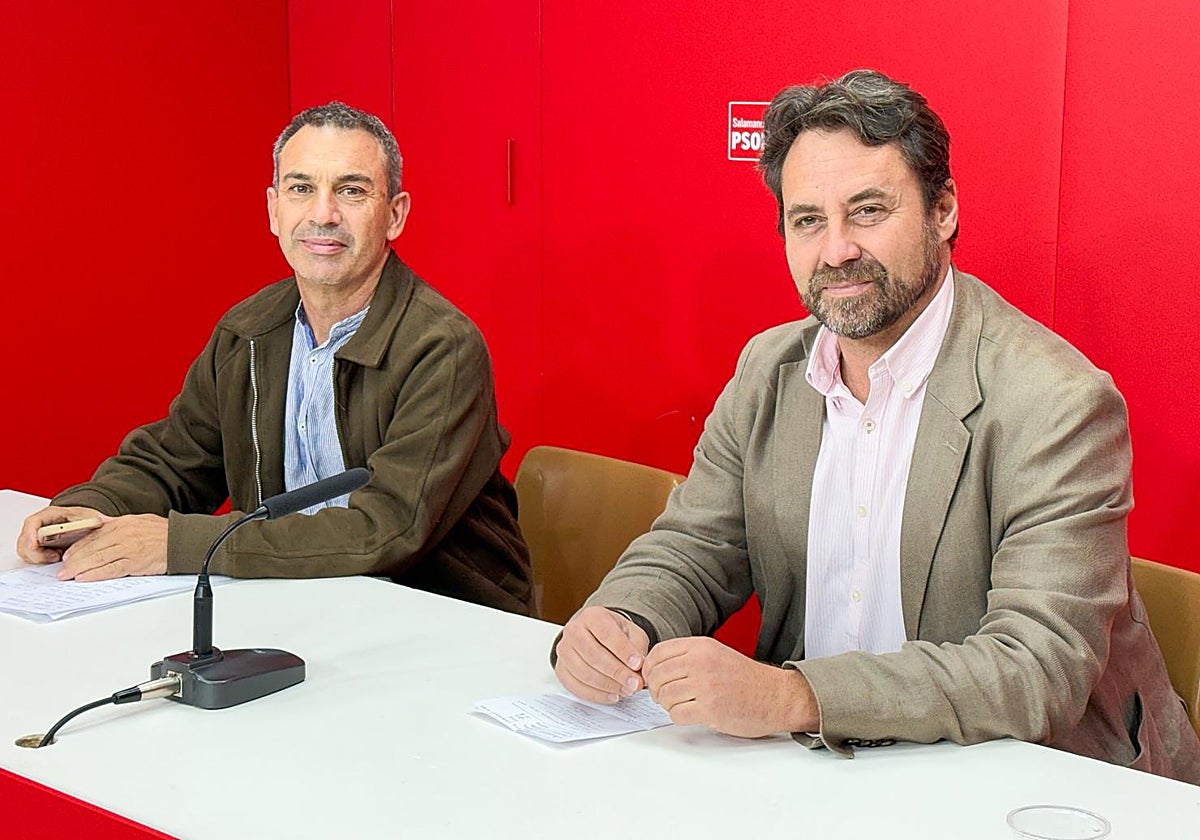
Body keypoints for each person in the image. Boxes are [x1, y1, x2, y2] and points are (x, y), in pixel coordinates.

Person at [552, 69, 1200, 781]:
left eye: (866, 212)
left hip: (1028, 777)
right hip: (825, 768)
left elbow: (1033, 669)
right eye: (807, 220)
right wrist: (621, 621)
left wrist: (795, 696)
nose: (835, 251)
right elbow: (695, 545)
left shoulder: (1057, 402)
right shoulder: (768, 370)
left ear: (942, 210)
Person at [16, 102, 533, 616]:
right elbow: (176, 459)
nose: (323, 214)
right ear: (273, 210)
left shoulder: (442, 346)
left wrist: (180, 544)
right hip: (288, 599)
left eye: (351, 190)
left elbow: (389, 527)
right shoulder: (249, 330)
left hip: (440, 614)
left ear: (394, 215)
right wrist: (90, 508)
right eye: (301, 188)